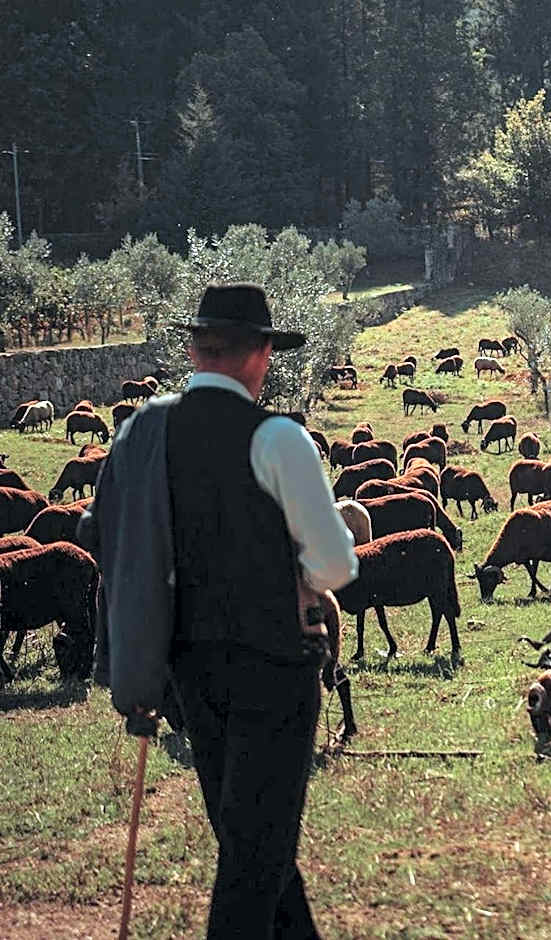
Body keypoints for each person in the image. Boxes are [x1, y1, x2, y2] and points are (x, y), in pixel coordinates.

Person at [80, 283, 358, 939]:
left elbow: (99, 531)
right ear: (262, 354)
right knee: (253, 859)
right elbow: (335, 566)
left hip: (190, 672)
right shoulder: (278, 438)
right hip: (275, 670)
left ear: (195, 350)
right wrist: (294, 576)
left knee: (253, 843)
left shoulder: (142, 431)